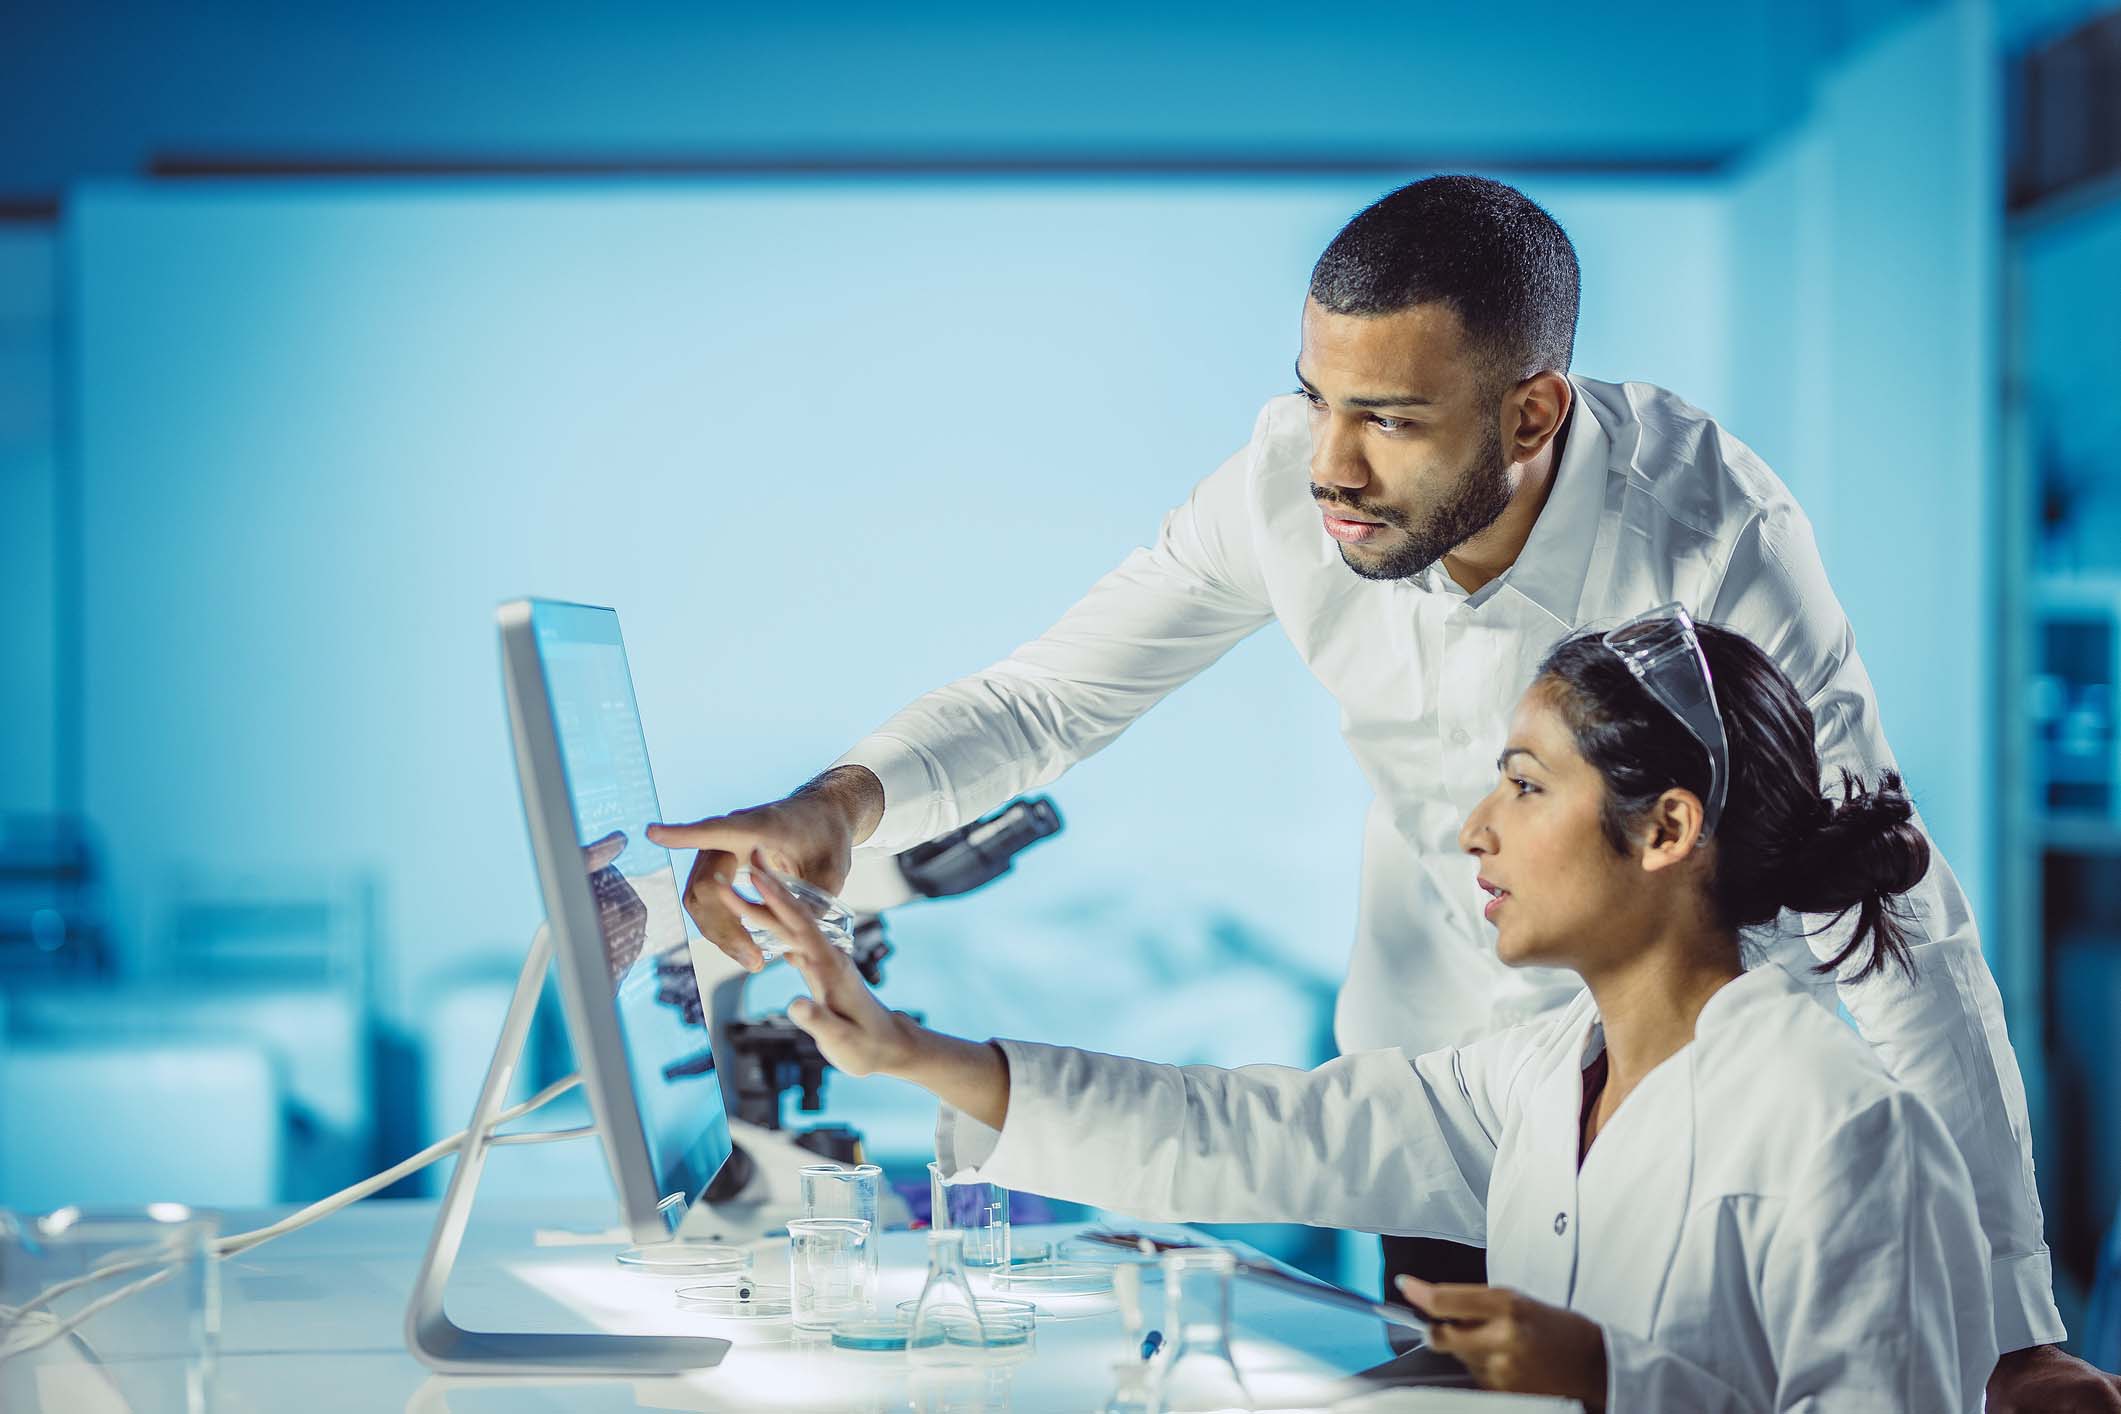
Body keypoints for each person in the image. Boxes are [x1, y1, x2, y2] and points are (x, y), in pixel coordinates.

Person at [650, 176, 2120, 1406]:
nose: (1329, 468)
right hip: (1462, 1093)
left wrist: (2011, 1325)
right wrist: (842, 810)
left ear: (1533, 411)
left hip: (1695, 1096)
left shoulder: (1709, 539)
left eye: (1395, 421)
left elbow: (1898, 920)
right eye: (1315, 399)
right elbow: (1050, 697)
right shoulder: (1286, 479)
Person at [721, 615, 1996, 1409]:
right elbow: (1249, 1130)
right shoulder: (1543, 1079)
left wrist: (1616, 1383)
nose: (1474, 829)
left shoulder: (1843, 1131)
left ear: (1665, 828)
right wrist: (904, 1051)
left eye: (1523, 784)